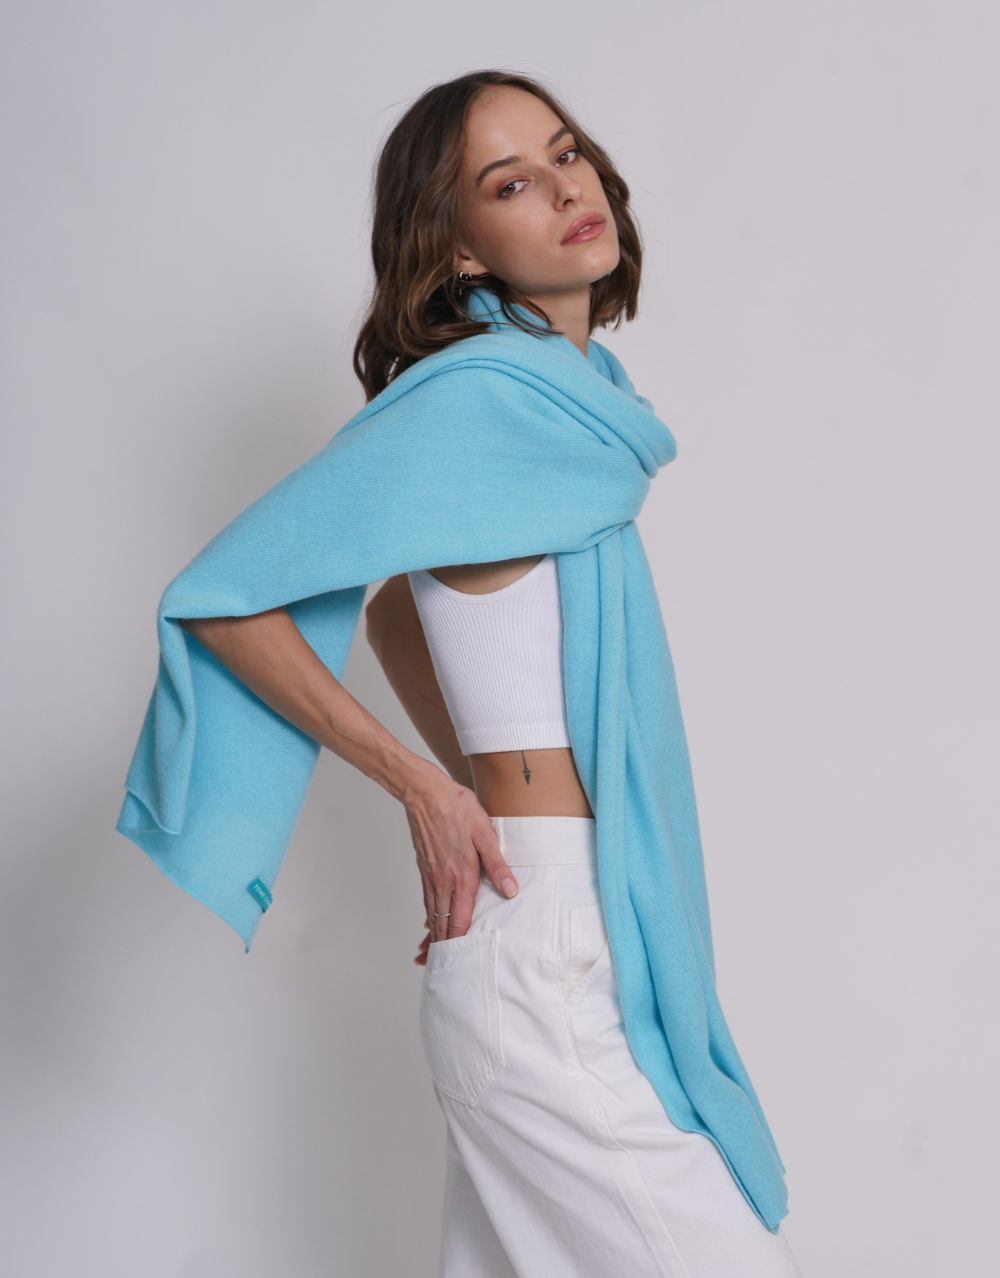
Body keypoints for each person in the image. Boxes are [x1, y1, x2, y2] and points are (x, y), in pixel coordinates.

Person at [179, 70, 803, 1278]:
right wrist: (429, 788)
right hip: (545, 957)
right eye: (510, 183)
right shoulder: (473, 404)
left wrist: (487, 793)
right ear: (458, 247)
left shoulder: (574, 408)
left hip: (567, 919)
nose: (566, 188)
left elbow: (398, 616)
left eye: (566, 153)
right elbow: (223, 600)